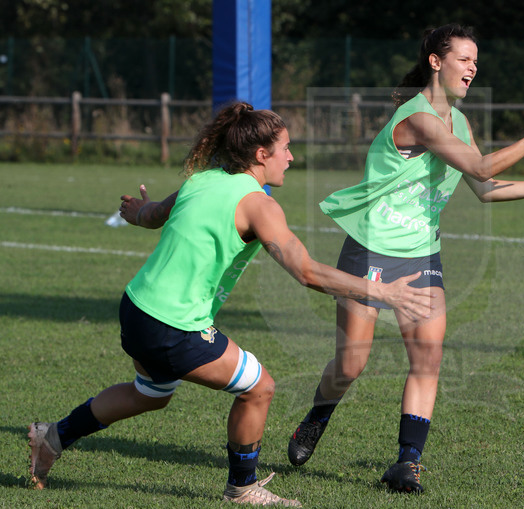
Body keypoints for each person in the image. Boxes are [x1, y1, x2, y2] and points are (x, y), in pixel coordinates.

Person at [27, 102, 434, 506]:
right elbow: (307, 272)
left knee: (150, 393)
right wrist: (383, 291)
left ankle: (53, 436)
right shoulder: (260, 205)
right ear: (262, 155)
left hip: (136, 307)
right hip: (174, 325)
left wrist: (136, 214)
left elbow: (155, 215)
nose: (292, 157)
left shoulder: (201, 180)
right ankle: (242, 487)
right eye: (285, 148)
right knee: (259, 388)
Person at [286, 23, 524, 493]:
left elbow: (484, 188)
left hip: (422, 251)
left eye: (475, 61)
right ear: (436, 61)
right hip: (370, 247)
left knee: (428, 356)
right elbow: (482, 166)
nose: (473, 67)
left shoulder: (460, 122)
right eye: (464, 59)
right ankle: (317, 415)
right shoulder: (419, 117)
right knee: (351, 365)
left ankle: (407, 463)